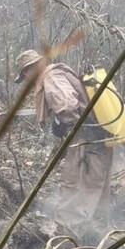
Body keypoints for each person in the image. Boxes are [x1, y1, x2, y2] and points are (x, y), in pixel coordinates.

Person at [14, 49, 113, 236]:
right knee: (96, 186)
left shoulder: (52, 77)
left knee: (74, 184)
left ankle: (66, 235)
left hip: (86, 139)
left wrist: (60, 121)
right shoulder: (62, 72)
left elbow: (67, 106)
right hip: (97, 138)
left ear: (27, 72)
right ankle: (96, 235)